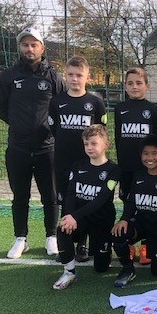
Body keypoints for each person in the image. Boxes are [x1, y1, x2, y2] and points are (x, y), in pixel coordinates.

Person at [0, 27, 66, 259]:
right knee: (20, 196)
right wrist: (17, 123)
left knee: (50, 196)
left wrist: (49, 129)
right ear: (20, 47)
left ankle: (51, 236)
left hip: (47, 147)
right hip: (18, 147)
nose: (29, 49)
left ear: (42, 48)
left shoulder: (53, 77)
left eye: (34, 44)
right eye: (25, 44)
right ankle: (20, 238)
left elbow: (63, 105)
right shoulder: (9, 76)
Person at [48, 55, 106, 263]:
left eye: (79, 75)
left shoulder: (95, 103)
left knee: (85, 200)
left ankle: (82, 243)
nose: (74, 79)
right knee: (66, 202)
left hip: (87, 162)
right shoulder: (57, 102)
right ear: (65, 76)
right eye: (71, 75)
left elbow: (100, 133)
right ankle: (66, 246)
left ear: (87, 77)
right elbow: (54, 129)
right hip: (63, 161)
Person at [52, 124, 120, 290]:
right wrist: (70, 216)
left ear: (106, 144)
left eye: (94, 143)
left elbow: (101, 199)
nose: (89, 147)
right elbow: (70, 193)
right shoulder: (78, 166)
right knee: (63, 227)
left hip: (101, 221)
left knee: (101, 268)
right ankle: (69, 272)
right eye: (86, 144)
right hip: (81, 220)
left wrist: (75, 216)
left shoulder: (113, 170)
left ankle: (104, 249)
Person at [111, 135, 157, 287]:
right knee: (118, 233)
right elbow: (132, 202)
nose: (150, 158)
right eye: (146, 153)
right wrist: (124, 219)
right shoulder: (138, 175)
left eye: (154, 153)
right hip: (141, 224)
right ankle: (128, 269)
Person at [114, 67, 157, 265]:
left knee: (147, 205)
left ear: (146, 86)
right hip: (126, 167)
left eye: (139, 83)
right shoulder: (120, 109)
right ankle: (128, 243)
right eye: (130, 83)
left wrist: (155, 165)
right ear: (125, 87)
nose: (134, 87)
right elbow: (118, 138)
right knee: (128, 201)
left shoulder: (154, 110)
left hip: (146, 168)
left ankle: (146, 245)